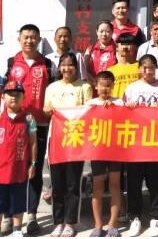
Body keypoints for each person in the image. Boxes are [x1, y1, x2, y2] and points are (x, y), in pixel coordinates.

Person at [0, 24, 52, 236]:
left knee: (34, 169)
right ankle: (9, 216)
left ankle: (32, 215)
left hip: (39, 125)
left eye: (33, 37)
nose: (29, 40)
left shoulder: (48, 64)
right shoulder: (10, 63)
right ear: (19, 39)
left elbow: (54, 90)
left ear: (39, 40)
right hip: (13, 125)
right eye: (25, 37)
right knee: (11, 169)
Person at [43, 52, 93, 237]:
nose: (67, 68)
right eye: (63, 65)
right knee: (57, 185)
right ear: (59, 68)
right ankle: (58, 222)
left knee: (72, 184)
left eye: (70, 64)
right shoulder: (51, 87)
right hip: (56, 139)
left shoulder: (84, 86)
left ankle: (70, 222)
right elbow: (46, 108)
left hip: (75, 140)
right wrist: (48, 110)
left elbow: (88, 111)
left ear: (76, 67)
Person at [0, 81, 37, 239]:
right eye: (10, 94)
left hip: (19, 170)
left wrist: (33, 164)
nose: (14, 97)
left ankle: (18, 230)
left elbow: (33, 143)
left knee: (18, 201)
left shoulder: (28, 118)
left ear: (23, 97)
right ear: (3, 97)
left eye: (17, 94)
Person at [124, 54, 158, 237]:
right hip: (135, 142)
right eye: (144, 67)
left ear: (156, 69)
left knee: (155, 181)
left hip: (156, 142)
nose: (148, 71)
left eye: (151, 67)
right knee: (133, 182)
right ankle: (134, 218)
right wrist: (127, 106)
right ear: (139, 69)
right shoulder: (131, 88)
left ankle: (155, 218)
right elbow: (122, 112)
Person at [86, 71, 123, 238]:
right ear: (96, 86)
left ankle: (113, 224)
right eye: (101, 85)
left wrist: (115, 108)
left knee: (115, 185)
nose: (105, 89)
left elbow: (129, 117)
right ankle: (98, 224)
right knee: (98, 187)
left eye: (108, 86)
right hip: (97, 151)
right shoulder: (90, 104)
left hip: (115, 150)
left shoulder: (119, 102)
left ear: (113, 86)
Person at [107, 33, 140, 99]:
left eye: (128, 44)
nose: (125, 47)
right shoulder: (110, 71)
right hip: (117, 104)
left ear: (135, 47)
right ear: (117, 48)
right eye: (122, 44)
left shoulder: (142, 67)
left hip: (137, 104)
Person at [84, 20, 117, 84]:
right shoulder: (90, 49)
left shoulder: (117, 49)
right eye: (101, 31)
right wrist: (94, 82)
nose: (104, 34)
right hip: (93, 85)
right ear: (97, 32)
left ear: (112, 32)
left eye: (107, 31)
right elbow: (84, 69)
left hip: (111, 85)